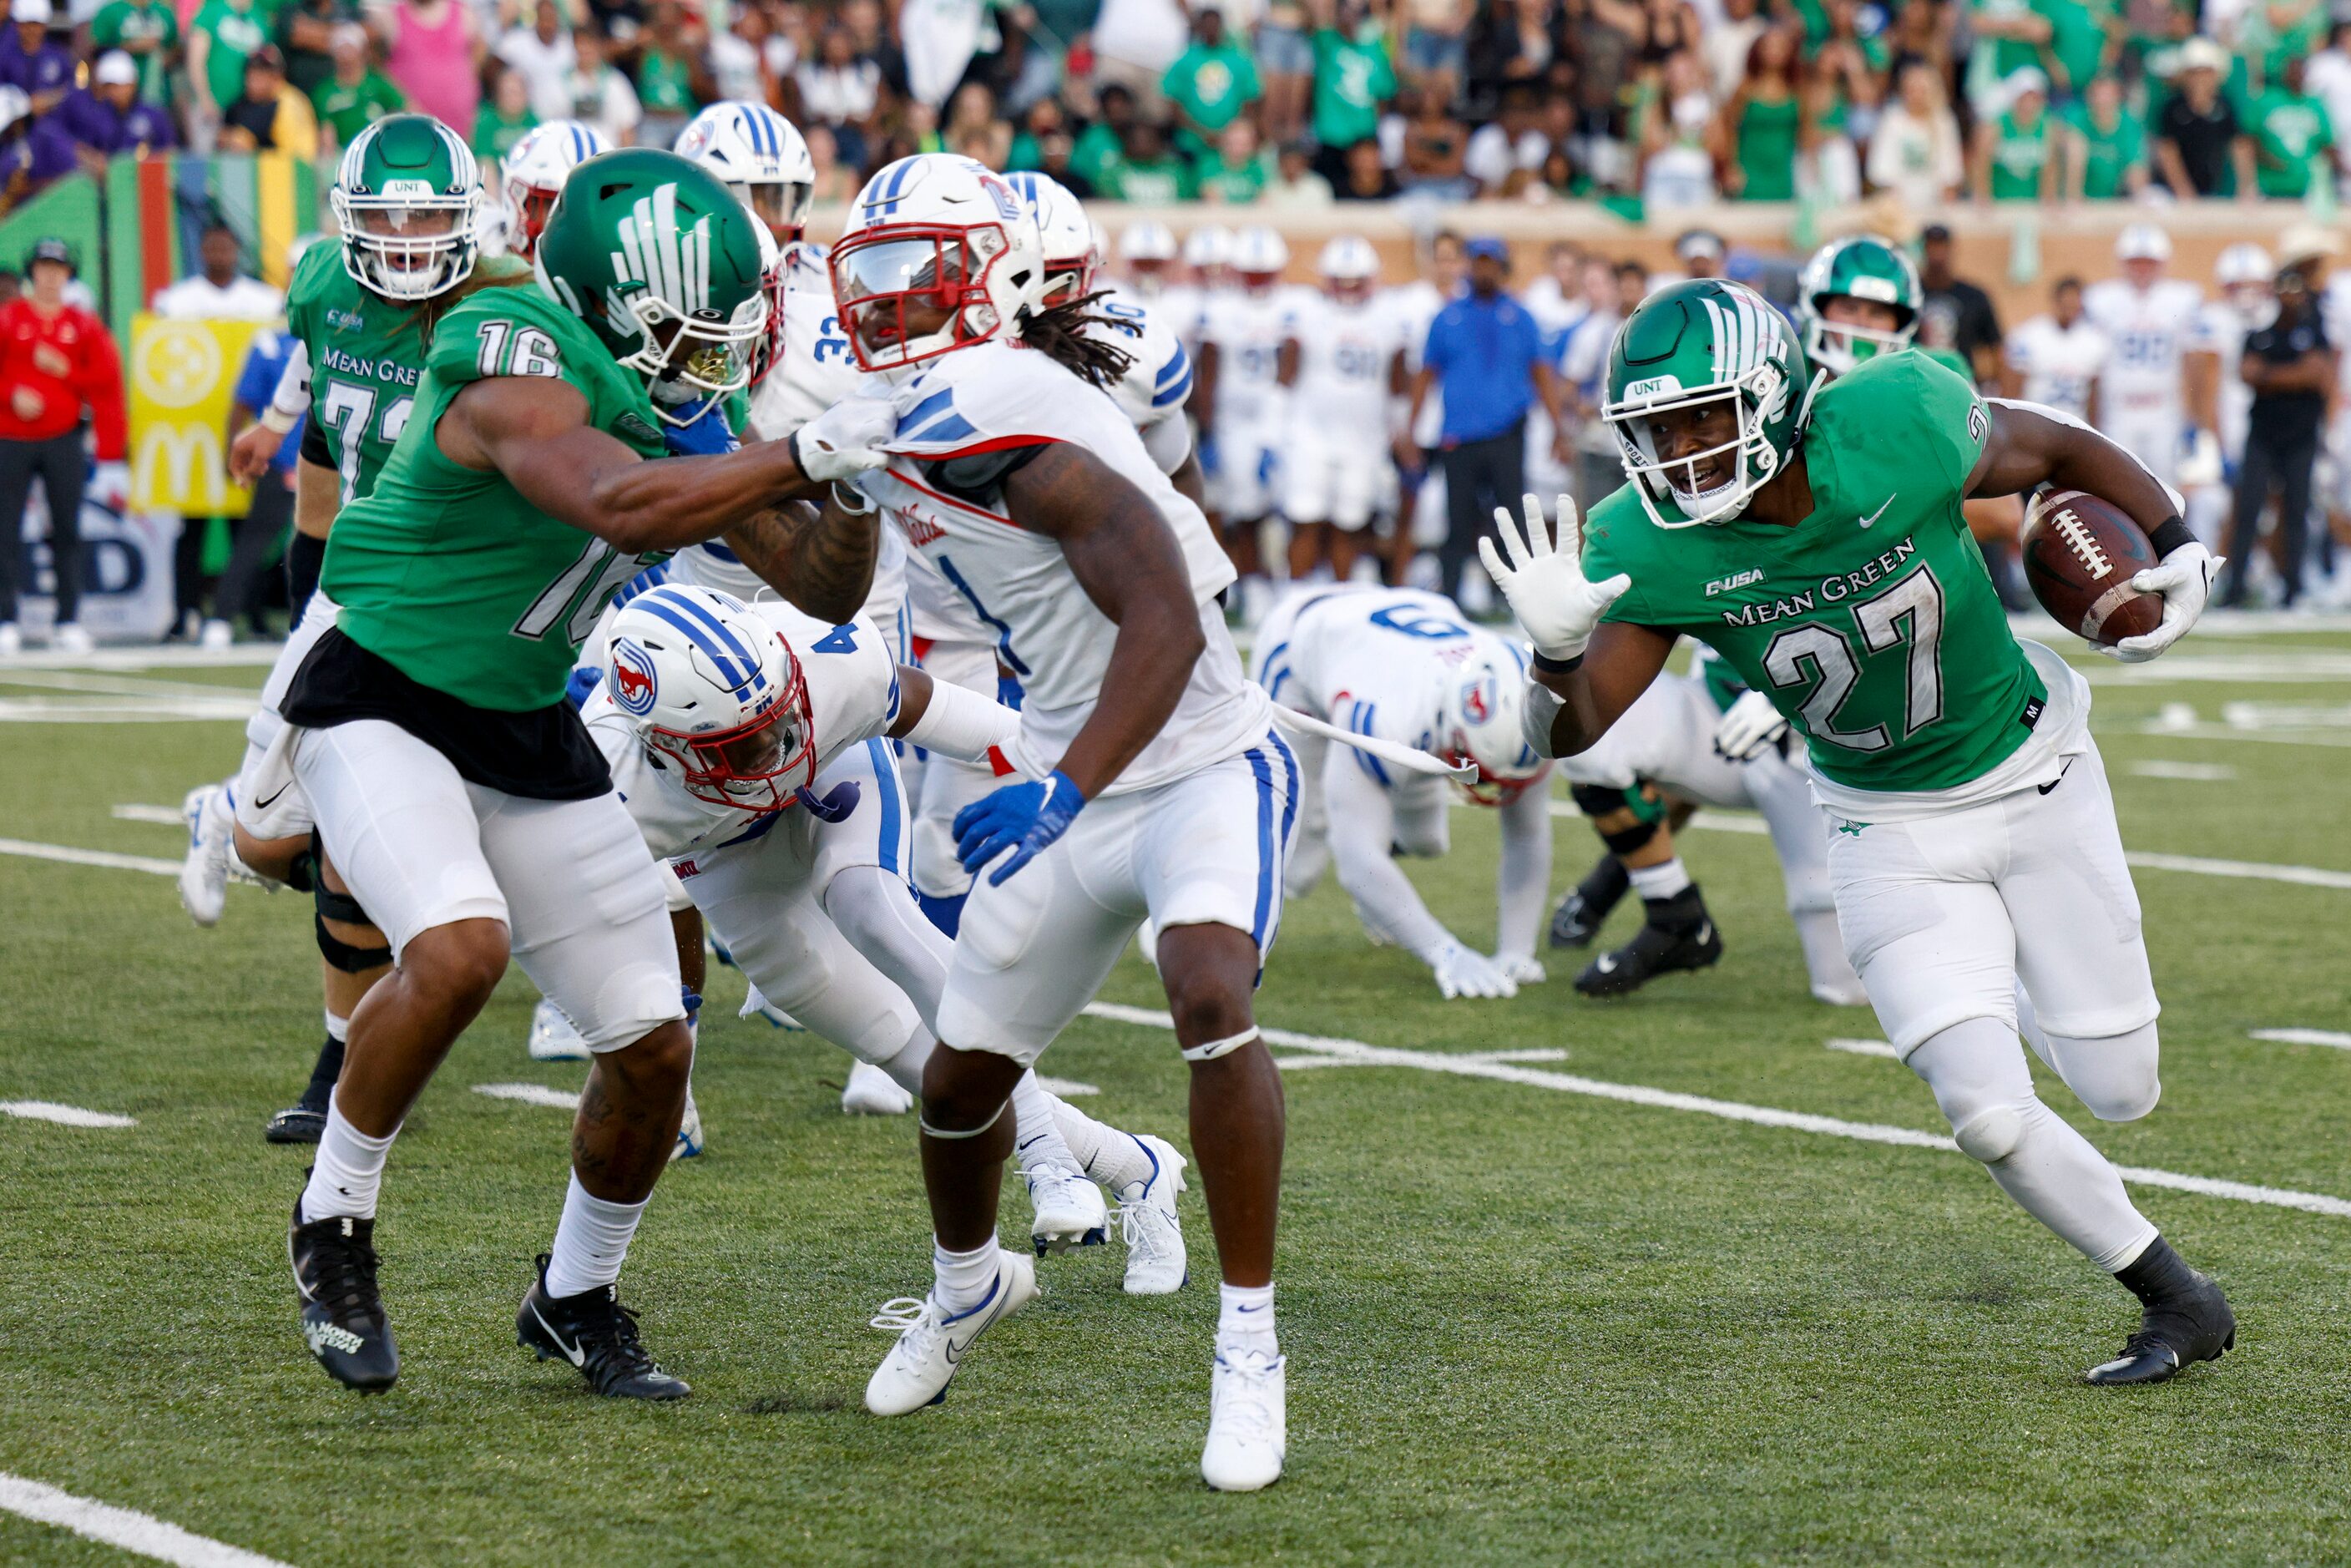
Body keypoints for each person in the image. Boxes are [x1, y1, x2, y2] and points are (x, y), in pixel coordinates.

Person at [1484, 276, 2237, 1387]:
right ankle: (2179, 1296)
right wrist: (1547, 656)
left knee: (2121, 1084)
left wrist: (2172, 536)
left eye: (1703, 417)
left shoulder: (1894, 419)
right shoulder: (1647, 540)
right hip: (1880, 824)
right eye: (1654, 429)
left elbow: (2060, 446)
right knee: (1984, 1111)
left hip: (2033, 775)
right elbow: (1571, 727)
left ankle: (2016, 967)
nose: (1680, 452)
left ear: (1777, 399)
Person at [265, 146, 892, 1399]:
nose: (719, 354)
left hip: (520, 720)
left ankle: (573, 1296)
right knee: (457, 946)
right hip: (380, 684)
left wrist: (857, 485)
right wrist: (805, 450)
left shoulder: (671, 401)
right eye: (693, 330)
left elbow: (820, 584)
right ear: (614, 303)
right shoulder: (509, 343)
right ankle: (332, 1223)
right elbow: (623, 506)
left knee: (653, 1044)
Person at [834, 154, 1301, 1491]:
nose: (878, 297)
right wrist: (799, 469)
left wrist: (1065, 785)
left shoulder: (1005, 398)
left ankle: (1250, 1346)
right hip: (1068, 764)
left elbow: (1160, 613)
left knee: (1211, 990)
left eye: (909, 266)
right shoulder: (923, 400)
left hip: (1193, 760)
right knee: (960, 1080)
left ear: (985, 274)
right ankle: (968, 1284)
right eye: (867, 268)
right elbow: (835, 570)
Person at [584, 583, 1191, 1282]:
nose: (772, 748)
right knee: (918, 1064)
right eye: (741, 746)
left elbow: (972, 725)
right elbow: (619, 918)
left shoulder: (821, 664)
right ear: (661, 747)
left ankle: (1049, 1161)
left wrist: (1096, 772)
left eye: (773, 718)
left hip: (836, 771)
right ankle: (1135, 1165)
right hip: (718, 852)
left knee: (872, 907)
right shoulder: (611, 792)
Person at [186, 120, 489, 1153]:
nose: (406, 239)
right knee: (269, 842)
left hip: (466, 598)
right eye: (386, 217)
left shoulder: (504, 310)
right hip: (353, 591)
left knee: (417, 843)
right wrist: (308, 576)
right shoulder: (322, 284)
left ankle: (345, 1060)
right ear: (347, 223)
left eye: (427, 216)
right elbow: (319, 408)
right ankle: (227, 818)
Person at [1253, 584, 1550, 999]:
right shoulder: (1383, 718)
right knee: (1300, 864)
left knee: (1425, 841)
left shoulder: (1522, 703)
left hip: (1402, 633)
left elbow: (1528, 834)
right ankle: (1182, 910)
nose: (1492, 789)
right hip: (1300, 645)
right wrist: (1443, 952)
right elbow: (1356, 860)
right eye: (1481, 772)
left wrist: (1516, 952)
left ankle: (1387, 903)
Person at [1407, 235, 1565, 603]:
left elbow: (1541, 372)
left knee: (1512, 519)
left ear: (1502, 266)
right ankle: (1451, 597)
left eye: (1490, 262)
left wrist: (1559, 428)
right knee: (1457, 521)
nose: (1484, 270)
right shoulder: (1448, 317)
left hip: (1507, 431)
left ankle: (1516, 599)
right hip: (1459, 435)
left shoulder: (1520, 316)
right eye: (1478, 262)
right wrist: (1411, 429)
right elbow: (1425, 374)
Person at [0, 237, 124, 658]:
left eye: (58, 269)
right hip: (10, 438)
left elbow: (106, 381)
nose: (50, 276)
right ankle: (6, 618)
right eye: (43, 268)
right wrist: (10, 394)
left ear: (69, 275)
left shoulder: (83, 324)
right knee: (5, 529)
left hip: (63, 438)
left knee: (68, 529)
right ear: (31, 273)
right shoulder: (9, 318)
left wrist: (66, 370)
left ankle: (68, 618)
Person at [1193, 225, 1306, 620]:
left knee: (1296, 505)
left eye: (1265, 272)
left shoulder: (1293, 305)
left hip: (1284, 419)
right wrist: (1207, 430)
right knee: (1244, 511)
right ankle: (1254, 586)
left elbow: (1290, 367)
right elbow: (1208, 371)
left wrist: (1275, 425)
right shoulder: (1221, 309)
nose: (1258, 280)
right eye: (1252, 272)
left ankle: (1292, 583)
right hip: (1235, 423)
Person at [1281, 235, 1407, 584]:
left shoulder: (1389, 316)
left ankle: (1339, 598)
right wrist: (1277, 429)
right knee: (1305, 519)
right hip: (1311, 434)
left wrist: (1399, 431)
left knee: (1350, 524)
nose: (1349, 289)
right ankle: (1294, 597)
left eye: (1356, 281)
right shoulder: (1308, 312)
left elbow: (1398, 384)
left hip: (1364, 438)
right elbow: (1286, 376)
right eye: (1342, 280)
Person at [2221, 245, 2335, 607]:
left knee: (2297, 511)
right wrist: (2293, 376)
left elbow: (2318, 375)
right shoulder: (2260, 334)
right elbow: (2247, 373)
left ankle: (2293, 588)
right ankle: (2236, 589)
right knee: (2249, 510)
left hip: (2301, 437)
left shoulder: (2314, 332)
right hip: (2264, 436)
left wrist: (2272, 376)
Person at [2084, 225, 2214, 494]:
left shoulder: (2183, 298)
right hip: (2119, 410)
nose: (2142, 269)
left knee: (2167, 491)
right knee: (2116, 489)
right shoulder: (2101, 299)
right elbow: (2092, 368)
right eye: (2135, 262)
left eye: (2148, 262)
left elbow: (2196, 363)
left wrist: (2196, 418)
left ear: (2163, 263)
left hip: (2164, 410)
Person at [211, 325, 301, 644]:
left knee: (320, 547)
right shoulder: (271, 344)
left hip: (337, 463)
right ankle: (221, 619)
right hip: (284, 461)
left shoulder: (345, 337)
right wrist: (230, 449)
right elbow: (244, 401)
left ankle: (310, 626)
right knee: (256, 544)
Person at [2154, 37, 2253, 200]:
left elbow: (2239, 147)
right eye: (2194, 73)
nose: (2200, 79)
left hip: (2212, 192)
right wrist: (2184, 192)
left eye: (2206, 73)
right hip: (2172, 194)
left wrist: (2247, 188)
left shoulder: (2224, 107)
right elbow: (2167, 152)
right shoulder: (2173, 108)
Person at [2002, 275, 2107, 426]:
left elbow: (2093, 394)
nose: (2069, 309)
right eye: (2065, 303)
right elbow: (2013, 386)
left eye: (2074, 303)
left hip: (2076, 425)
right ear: (2056, 301)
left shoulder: (2095, 341)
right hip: (2037, 422)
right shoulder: (2029, 335)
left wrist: (2095, 428)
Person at [1916, 223, 2001, 386]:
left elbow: (1996, 347)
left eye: (1941, 247)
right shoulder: (1911, 292)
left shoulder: (1974, 296)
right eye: (1931, 246)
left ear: (1951, 249)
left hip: (1962, 383)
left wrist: (1996, 389)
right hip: (1917, 381)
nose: (1936, 253)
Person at [63, 49, 177, 164]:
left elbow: (169, 150)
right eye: (110, 86)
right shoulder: (93, 114)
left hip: (145, 175)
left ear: (133, 84)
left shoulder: (153, 114)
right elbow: (81, 147)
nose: (116, 92)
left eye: (121, 85)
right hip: (104, 176)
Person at [307, 22, 404, 152]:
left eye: (351, 48)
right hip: (343, 156)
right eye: (342, 49)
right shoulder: (325, 91)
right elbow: (327, 134)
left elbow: (404, 107)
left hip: (378, 152)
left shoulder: (377, 82)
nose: (346, 56)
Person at [217, 43, 321, 156]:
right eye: (252, 71)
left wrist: (234, 138)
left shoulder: (286, 102)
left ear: (278, 75)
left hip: (287, 169)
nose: (254, 79)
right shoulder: (242, 103)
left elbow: (299, 157)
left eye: (262, 72)